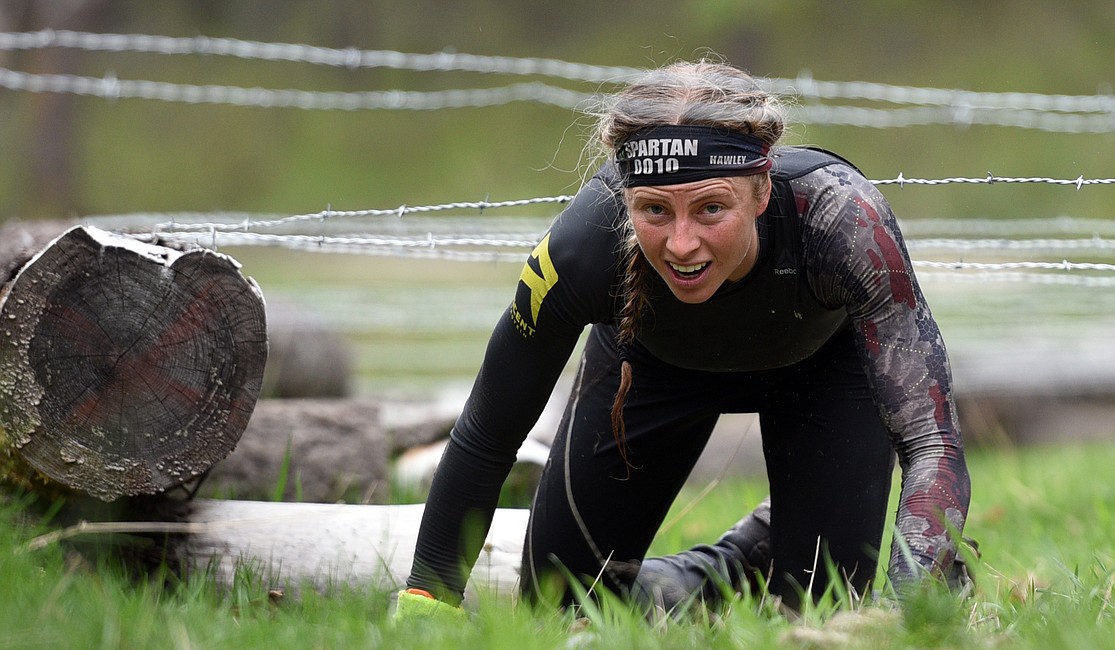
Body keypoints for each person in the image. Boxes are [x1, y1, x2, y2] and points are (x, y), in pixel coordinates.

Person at [398, 59, 971, 618]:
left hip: (823, 368)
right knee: (562, 605)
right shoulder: (581, 248)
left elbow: (932, 442)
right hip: (648, 363)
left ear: (762, 189)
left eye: (711, 208)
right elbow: (487, 434)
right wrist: (426, 603)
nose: (681, 244)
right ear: (624, 199)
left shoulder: (842, 222)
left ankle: (776, 550)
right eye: (653, 210)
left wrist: (907, 607)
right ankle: (733, 564)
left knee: (820, 613)